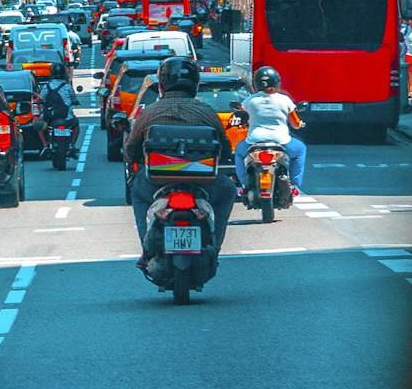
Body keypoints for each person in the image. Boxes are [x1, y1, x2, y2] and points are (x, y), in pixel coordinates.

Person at [123, 55, 236, 267]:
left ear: (162, 85)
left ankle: (146, 251)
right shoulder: (206, 111)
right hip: (204, 183)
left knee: (136, 191)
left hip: (156, 183)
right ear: (194, 84)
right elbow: (226, 147)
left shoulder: (148, 113)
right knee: (229, 189)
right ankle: (215, 246)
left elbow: (130, 149)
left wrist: (134, 160)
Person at [233, 66, 306, 194]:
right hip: (281, 141)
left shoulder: (250, 101)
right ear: (277, 83)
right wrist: (300, 125)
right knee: (300, 150)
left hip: (254, 141)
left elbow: (241, 115)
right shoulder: (285, 100)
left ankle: (244, 185)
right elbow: (295, 123)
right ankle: (294, 184)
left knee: (239, 153)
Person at [42, 60, 80, 153]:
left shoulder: (47, 86)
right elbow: (73, 99)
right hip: (67, 116)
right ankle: (72, 145)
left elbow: (42, 98)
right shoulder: (67, 86)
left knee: (40, 125)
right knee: (76, 126)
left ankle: (45, 145)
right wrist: (75, 102)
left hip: (50, 115)